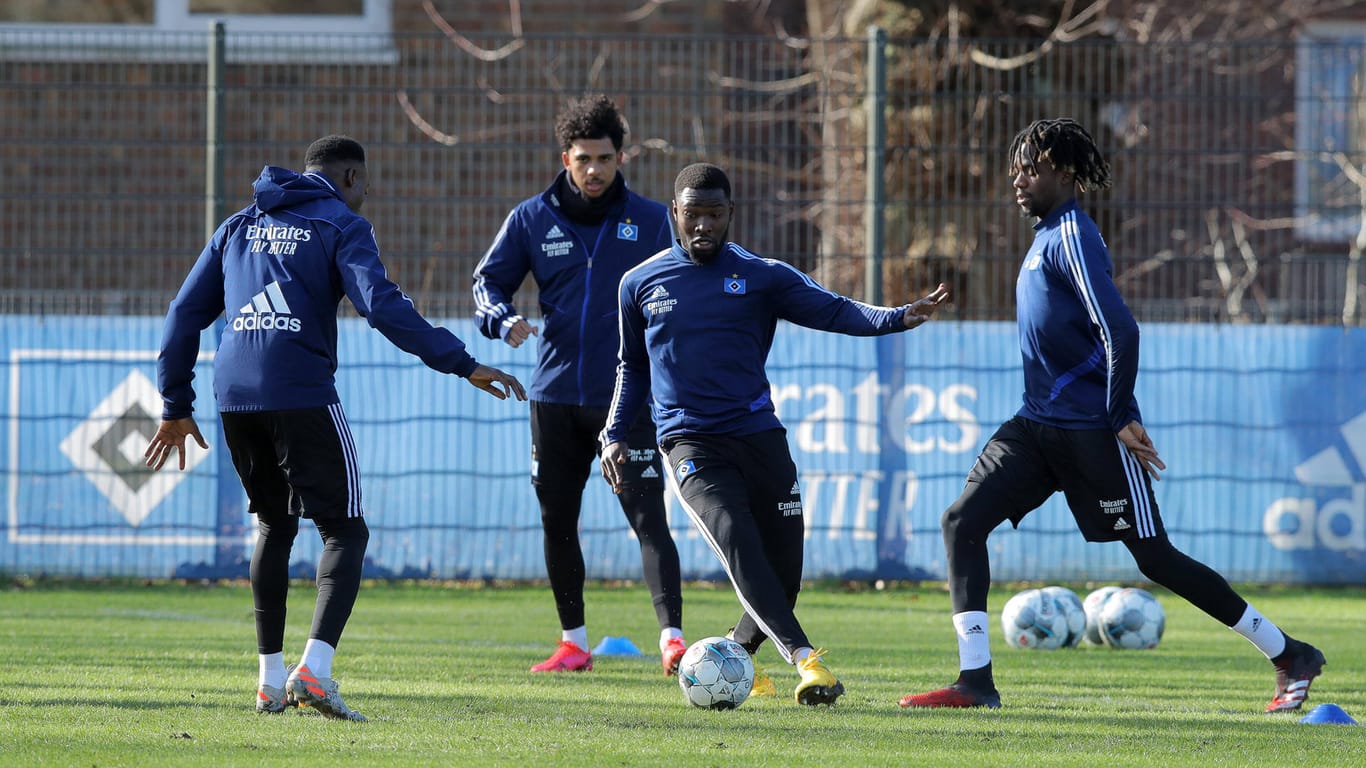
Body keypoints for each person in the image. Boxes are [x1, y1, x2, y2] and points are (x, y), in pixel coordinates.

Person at [898, 118, 1325, 712]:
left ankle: (1290, 654)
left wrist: (1120, 412)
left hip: (1092, 432)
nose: (1019, 180)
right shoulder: (1046, 234)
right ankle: (975, 682)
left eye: (1034, 168)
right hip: (1036, 425)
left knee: (1155, 557)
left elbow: (1120, 328)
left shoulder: (1072, 233)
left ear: (1065, 173)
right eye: (1016, 168)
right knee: (961, 522)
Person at [144, 135, 527, 721]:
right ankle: (315, 673)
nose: (364, 198)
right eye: (364, 187)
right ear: (349, 178)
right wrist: (461, 361)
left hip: (235, 395)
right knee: (345, 532)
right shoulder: (339, 224)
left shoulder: (239, 224)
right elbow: (380, 304)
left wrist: (176, 403)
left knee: (274, 523)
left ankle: (270, 681)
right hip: (300, 392)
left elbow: (182, 314)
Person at [600, 162, 951, 705]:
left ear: (730, 215)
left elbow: (832, 309)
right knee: (737, 537)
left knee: (784, 573)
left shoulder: (762, 276)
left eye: (715, 215)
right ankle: (808, 662)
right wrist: (615, 432)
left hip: (760, 437)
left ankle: (736, 658)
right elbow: (631, 368)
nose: (703, 227)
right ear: (675, 213)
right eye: (693, 215)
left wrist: (898, 317)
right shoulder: (638, 283)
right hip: (690, 443)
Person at [472, 94, 688, 675]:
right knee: (557, 519)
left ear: (622, 158)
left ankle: (672, 639)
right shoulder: (530, 219)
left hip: (627, 398)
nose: (593, 170)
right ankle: (573, 643)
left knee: (649, 520)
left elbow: (686, 290)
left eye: (604, 158)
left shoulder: (649, 221)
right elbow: (486, 286)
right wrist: (501, 318)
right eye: (582, 159)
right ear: (565, 158)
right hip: (555, 398)